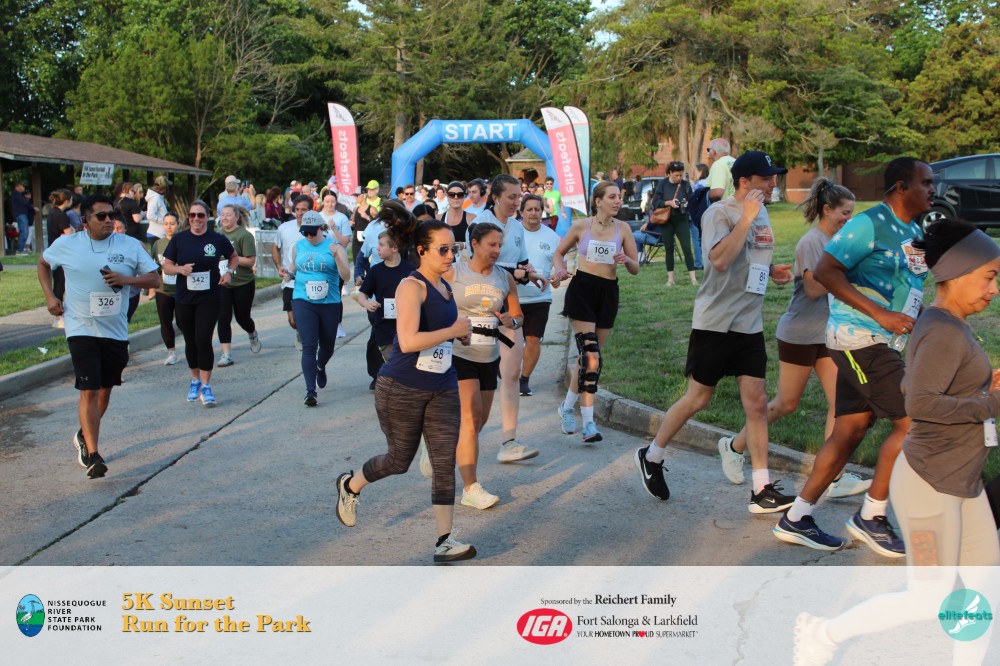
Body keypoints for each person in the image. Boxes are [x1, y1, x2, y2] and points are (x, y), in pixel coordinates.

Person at [793, 220, 1000, 666]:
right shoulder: (943, 330)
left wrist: (985, 390)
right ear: (958, 273)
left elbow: (931, 388)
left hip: (963, 484)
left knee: (984, 590)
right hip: (928, 488)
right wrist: (991, 403)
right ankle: (823, 634)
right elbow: (920, 403)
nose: (994, 289)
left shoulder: (951, 324)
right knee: (929, 597)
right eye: (988, 277)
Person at [773, 157, 935, 557]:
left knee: (849, 430)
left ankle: (796, 517)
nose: (934, 189)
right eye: (926, 183)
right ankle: (872, 516)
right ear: (901, 187)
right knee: (916, 423)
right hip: (860, 339)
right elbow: (826, 271)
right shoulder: (868, 224)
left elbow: (910, 286)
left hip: (885, 342)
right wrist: (880, 314)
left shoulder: (914, 231)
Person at [633, 151, 794, 509]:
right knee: (698, 398)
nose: (773, 183)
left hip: (748, 323)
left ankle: (761, 489)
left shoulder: (761, 212)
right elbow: (719, 261)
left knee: (756, 403)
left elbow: (750, 257)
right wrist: (746, 218)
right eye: (766, 178)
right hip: (716, 322)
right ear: (744, 181)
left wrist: (771, 272)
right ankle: (652, 454)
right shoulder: (718, 214)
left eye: (774, 177)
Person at [334, 220, 478, 564]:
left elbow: (444, 331)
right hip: (402, 386)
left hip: (442, 385)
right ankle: (350, 486)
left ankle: (444, 541)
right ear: (422, 251)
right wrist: (452, 330)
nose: (450, 255)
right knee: (399, 461)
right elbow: (410, 341)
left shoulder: (445, 286)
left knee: (443, 462)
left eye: (454, 248)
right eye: (443, 249)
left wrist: (461, 333)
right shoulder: (411, 287)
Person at [719, 178, 869, 496]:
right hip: (800, 334)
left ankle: (834, 476)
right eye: (845, 213)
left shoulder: (839, 241)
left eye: (852, 213)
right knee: (786, 403)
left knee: (840, 403)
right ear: (827, 210)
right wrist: (848, 273)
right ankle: (733, 446)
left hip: (827, 334)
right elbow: (813, 289)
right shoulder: (811, 243)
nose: (849, 219)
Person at [37, 194, 160, 478]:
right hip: (80, 327)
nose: (108, 221)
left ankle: (83, 433)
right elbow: (43, 264)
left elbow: (154, 278)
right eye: (101, 216)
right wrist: (50, 296)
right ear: (85, 221)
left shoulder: (129, 245)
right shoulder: (68, 244)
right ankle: (93, 455)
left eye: (111, 215)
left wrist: (126, 280)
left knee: (105, 389)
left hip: (115, 330)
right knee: (89, 389)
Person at [552, 181, 640, 442]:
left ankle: (567, 407)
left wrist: (627, 260)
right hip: (583, 290)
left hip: (608, 293)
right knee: (591, 357)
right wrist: (560, 269)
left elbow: (636, 268)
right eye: (612, 197)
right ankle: (589, 423)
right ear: (598, 201)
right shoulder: (582, 226)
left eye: (619, 197)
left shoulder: (623, 228)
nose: (618, 201)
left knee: (590, 358)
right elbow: (559, 253)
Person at [467, 174, 545, 462]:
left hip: (508, 309)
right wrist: (518, 273)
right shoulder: (479, 224)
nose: (517, 202)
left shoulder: (517, 226)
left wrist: (532, 273)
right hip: (479, 309)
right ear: (496, 197)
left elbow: (521, 262)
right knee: (477, 381)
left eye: (519, 196)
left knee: (511, 373)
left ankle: (509, 442)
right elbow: (482, 265)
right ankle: (456, 438)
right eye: (512, 197)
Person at [449, 222, 526, 509]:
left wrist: (511, 321)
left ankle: (441, 444)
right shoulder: (454, 272)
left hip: (489, 356)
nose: (497, 250)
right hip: (459, 353)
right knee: (470, 418)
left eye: (500, 245)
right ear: (475, 243)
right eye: (491, 244)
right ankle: (471, 488)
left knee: (477, 422)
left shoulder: (504, 277)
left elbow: (518, 316)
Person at [161, 200, 238, 407]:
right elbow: (167, 266)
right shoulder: (179, 239)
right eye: (192, 215)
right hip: (185, 298)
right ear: (188, 218)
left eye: (200, 215)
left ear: (207, 217)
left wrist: (229, 273)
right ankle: (194, 380)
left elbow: (233, 257)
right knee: (191, 340)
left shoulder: (217, 239)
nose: (196, 219)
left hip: (209, 297)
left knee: (203, 339)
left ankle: (206, 386)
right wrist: (180, 269)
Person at [280, 211, 350, 405]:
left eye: (312, 232)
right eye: (305, 233)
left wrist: (337, 257)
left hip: (329, 303)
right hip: (303, 300)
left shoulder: (335, 247)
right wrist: (288, 274)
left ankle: (320, 366)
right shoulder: (299, 246)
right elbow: (294, 267)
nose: (309, 236)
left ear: (321, 229)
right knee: (309, 345)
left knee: (327, 347)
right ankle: (310, 391)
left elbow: (346, 276)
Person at [516, 194, 562, 397]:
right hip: (513, 296)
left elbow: (559, 263)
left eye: (537, 209)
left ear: (543, 212)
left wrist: (558, 276)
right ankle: (506, 369)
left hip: (539, 297)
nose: (534, 213)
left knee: (533, 339)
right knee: (509, 341)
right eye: (529, 209)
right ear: (521, 212)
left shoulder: (552, 236)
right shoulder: (512, 232)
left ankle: (524, 380)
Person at [358, 231, 417, 378]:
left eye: (381, 245)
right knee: (396, 366)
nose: (377, 248)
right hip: (384, 328)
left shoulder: (410, 269)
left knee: (407, 367)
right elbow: (362, 295)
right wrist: (367, 303)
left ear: (394, 248)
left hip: (408, 327)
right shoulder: (375, 271)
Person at [215, 204, 262, 367]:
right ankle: (226, 354)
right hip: (222, 283)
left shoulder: (244, 235)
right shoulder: (217, 236)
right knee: (223, 318)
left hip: (243, 282)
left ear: (236, 217)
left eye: (228, 215)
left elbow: (250, 261)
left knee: (242, 317)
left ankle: (252, 333)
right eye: (222, 215)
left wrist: (231, 256)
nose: (225, 218)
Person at [272, 195, 314, 350]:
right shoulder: (284, 228)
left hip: (311, 280)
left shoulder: (318, 229)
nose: (300, 213)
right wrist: (279, 266)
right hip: (290, 280)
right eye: (297, 209)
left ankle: (309, 337)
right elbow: (275, 247)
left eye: (304, 209)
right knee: (293, 320)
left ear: (311, 211)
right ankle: (299, 332)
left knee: (309, 315)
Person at [645, 161, 697, 286]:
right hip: (666, 220)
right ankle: (670, 279)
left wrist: (687, 203)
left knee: (687, 248)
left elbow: (692, 200)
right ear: (669, 173)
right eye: (676, 175)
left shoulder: (685, 184)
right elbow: (655, 203)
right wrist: (669, 203)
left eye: (681, 175)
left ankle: (693, 279)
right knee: (668, 248)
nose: (679, 178)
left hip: (681, 219)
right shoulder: (662, 184)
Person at [152, 212, 181, 365]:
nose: (169, 227)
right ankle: (171, 352)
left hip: (182, 289)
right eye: (166, 224)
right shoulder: (158, 244)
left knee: (183, 322)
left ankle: (194, 346)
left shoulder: (184, 241)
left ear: (178, 225)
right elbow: (153, 266)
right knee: (165, 321)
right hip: (163, 290)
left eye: (172, 223)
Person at [46, 188, 74, 328]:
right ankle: (58, 316)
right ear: (67, 201)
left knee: (59, 282)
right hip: (62, 253)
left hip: (54, 250)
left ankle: (59, 315)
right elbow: (69, 233)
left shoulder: (52, 212)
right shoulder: (61, 215)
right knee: (60, 283)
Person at [441, 181, 476, 258]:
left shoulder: (472, 218)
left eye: (460, 195)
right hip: (443, 260)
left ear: (464, 197)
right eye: (452, 194)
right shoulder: (439, 218)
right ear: (447, 196)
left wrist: (462, 245)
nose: (456, 197)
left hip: (465, 261)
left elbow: (478, 243)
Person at [706, 137, 736, 203]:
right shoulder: (736, 162)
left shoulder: (718, 164)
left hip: (723, 207)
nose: (708, 153)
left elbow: (717, 193)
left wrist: (705, 195)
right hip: (738, 206)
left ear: (713, 152)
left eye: (708, 150)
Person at [145, 176, 170, 243]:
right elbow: (150, 215)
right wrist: (165, 221)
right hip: (156, 234)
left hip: (159, 234)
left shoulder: (158, 198)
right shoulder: (155, 198)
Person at [11, 182, 34, 253]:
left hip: (21, 215)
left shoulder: (18, 194)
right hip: (21, 215)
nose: (24, 188)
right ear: (18, 186)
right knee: (24, 232)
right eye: (22, 186)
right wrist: (30, 204)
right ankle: (20, 250)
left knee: (24, 232)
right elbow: (24, 202)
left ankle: (20, 249)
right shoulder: (16, 194)